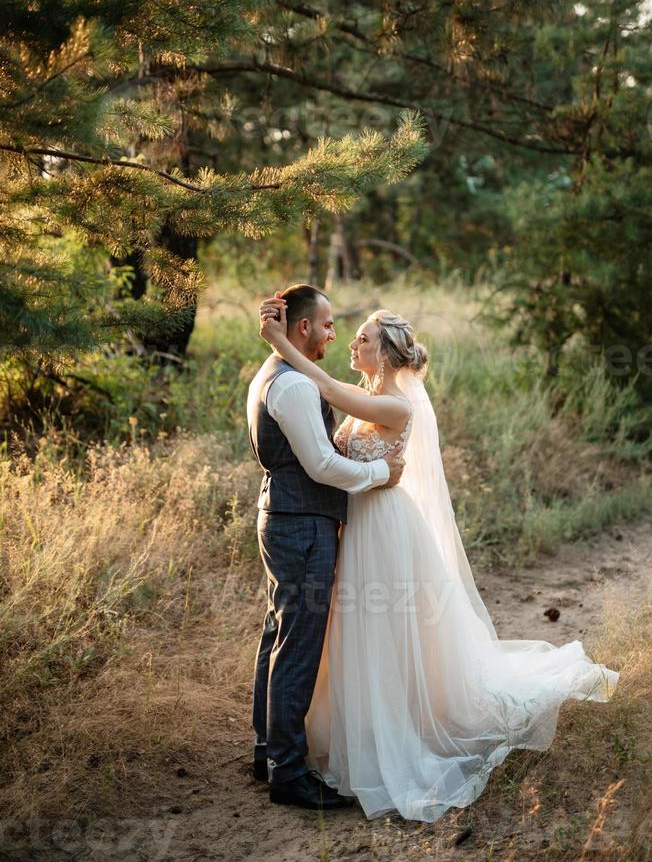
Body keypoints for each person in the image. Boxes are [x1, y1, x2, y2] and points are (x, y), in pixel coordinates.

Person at [258, 297, 620, 822]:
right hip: (355, 525)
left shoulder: (396, 407)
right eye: (350, 334)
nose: (352, 343)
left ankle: (396, 732)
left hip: (384, 526)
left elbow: (328, 391)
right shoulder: (366, 395)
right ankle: (339, 733)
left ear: (384, 355)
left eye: (362, 337)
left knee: (383, 629)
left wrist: (279, 344)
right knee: (351, 630)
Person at [246, 284, 406, 811]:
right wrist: (381, 471)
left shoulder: (275, 373)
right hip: (302, 524)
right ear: (304, 327)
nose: (335, 335)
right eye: (330, 325)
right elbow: (321, 466)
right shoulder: (291, 385)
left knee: (279, 633)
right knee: (298, 643)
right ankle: (288, 774)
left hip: (287, 516)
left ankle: (268, 750)